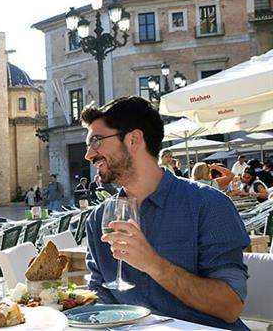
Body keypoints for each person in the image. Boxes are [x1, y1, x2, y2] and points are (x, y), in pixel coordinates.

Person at [81, 96, 249, 330]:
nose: (89, 155)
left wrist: (152, 264)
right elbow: (100, 297)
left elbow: (230, 307)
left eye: (96, 141)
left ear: (134, 139)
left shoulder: (208, 204)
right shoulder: (99, 218)